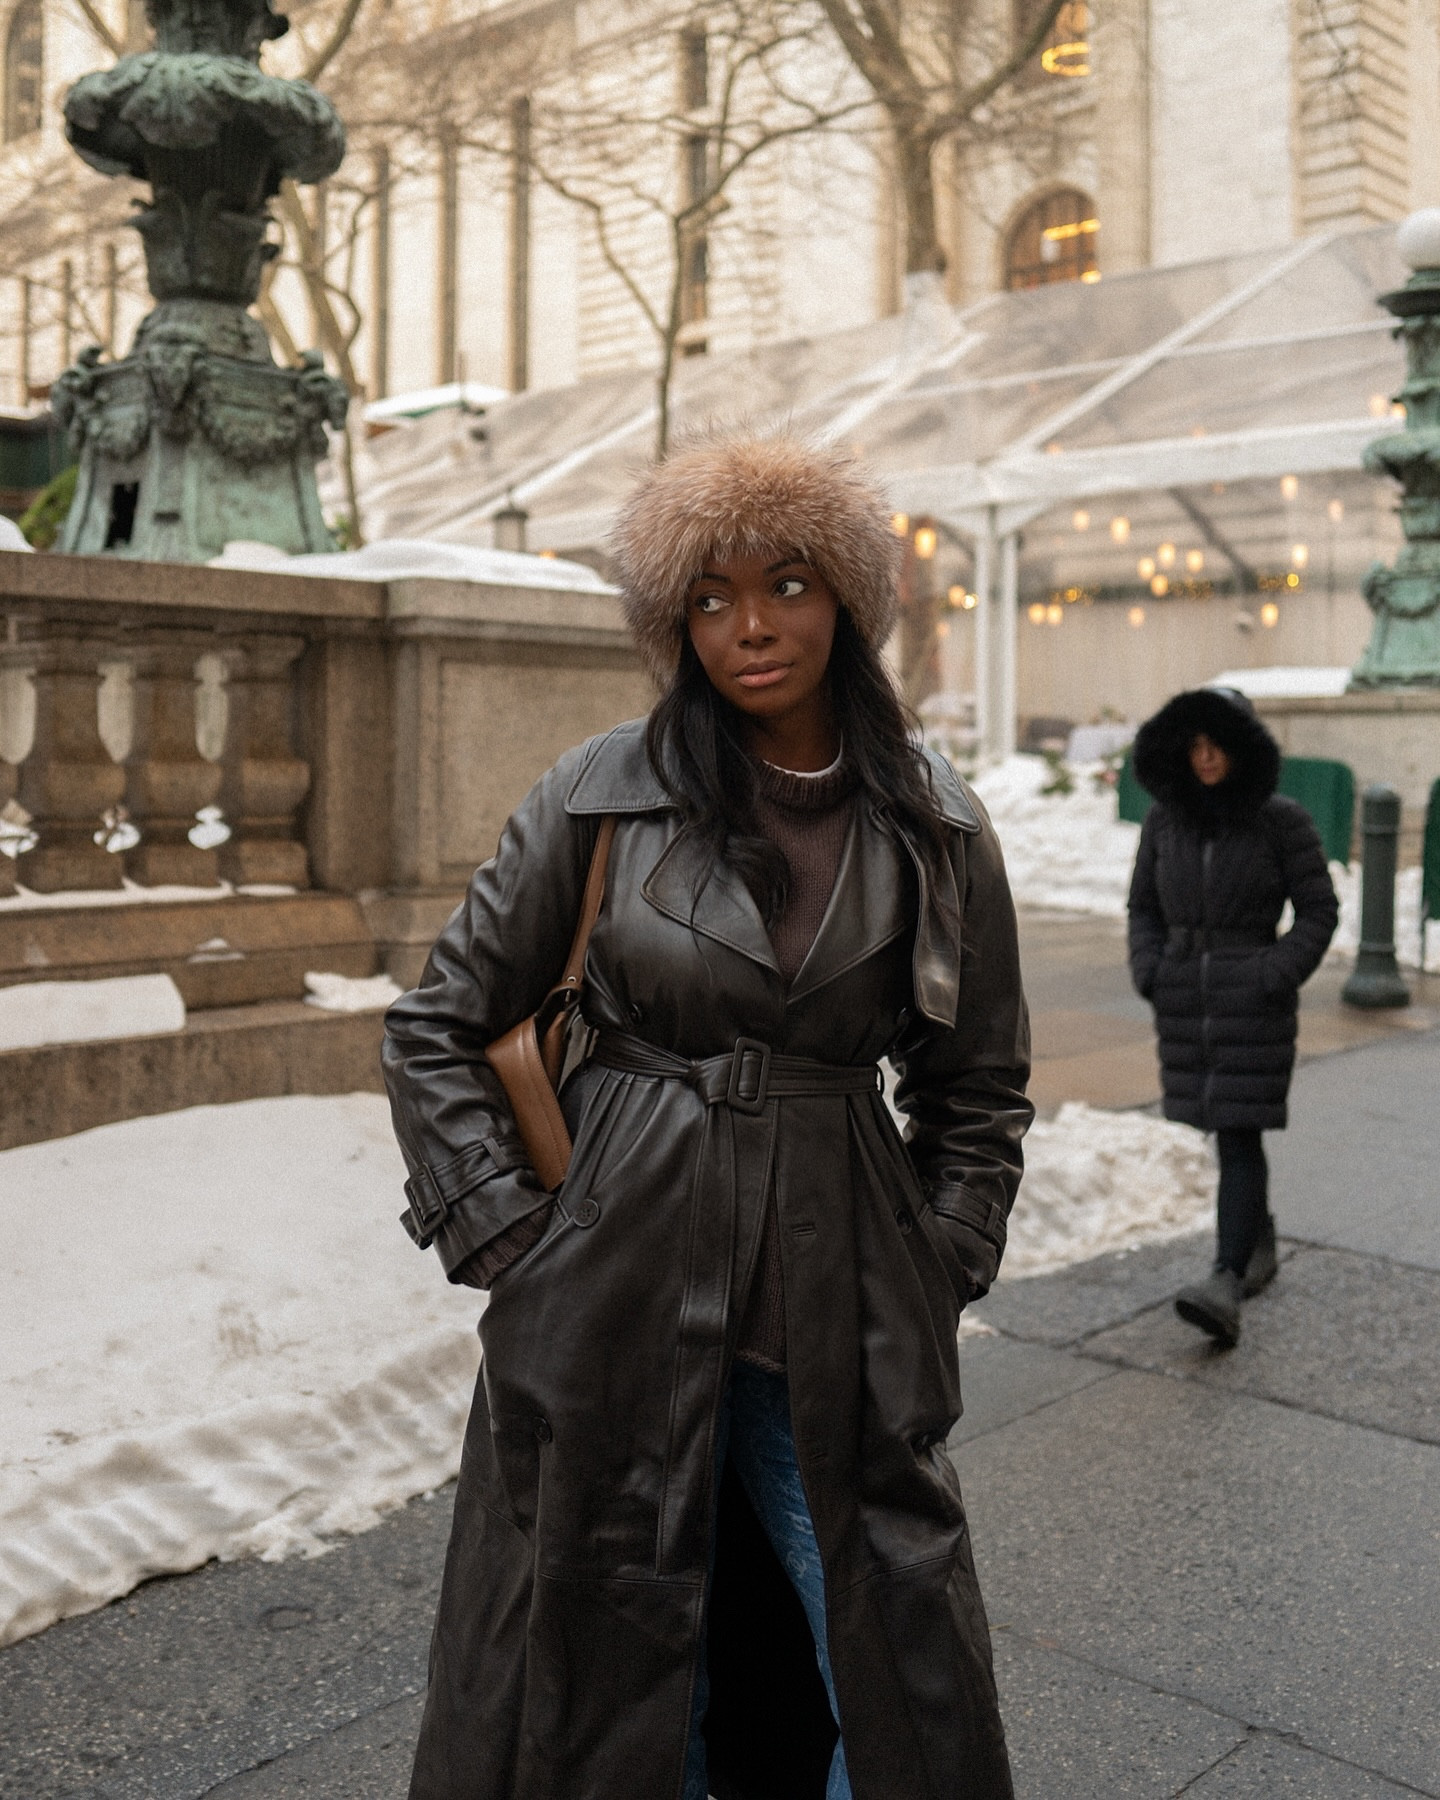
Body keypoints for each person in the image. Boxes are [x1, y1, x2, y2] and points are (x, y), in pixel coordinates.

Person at [382, 432, 1033, 1800]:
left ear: (848, 601)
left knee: (897, 1646)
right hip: (609, 1291)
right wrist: (510, 1234)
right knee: (606, 1654)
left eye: (789, 582)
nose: (753, 625)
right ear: (676, 623)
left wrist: (937, 1258)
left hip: (837, 1298)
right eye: (712, 595)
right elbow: (438, 1023)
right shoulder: (598, 791)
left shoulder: (937, 824)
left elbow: (977, 1087)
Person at [1127, 687, 1338, 1348]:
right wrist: (1151, 968)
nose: (1206, 756)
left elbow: (1319, 911)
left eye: (1217, 743)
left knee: (1240, 1130)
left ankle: (1224, 1278)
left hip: (1254, 1001)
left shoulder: (1283, 821)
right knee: (1222, 1127)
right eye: (1194, 744)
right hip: (1187, 998)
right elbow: (1142, 907)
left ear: (1243, 747)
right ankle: (1258, 1236)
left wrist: (1275, 972)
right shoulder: (1165, 821)